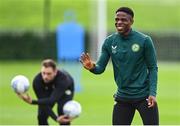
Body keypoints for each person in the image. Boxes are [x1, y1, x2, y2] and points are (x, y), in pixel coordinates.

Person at [80, 7, 159, 125]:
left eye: (123, 19)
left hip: (144, 96)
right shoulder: (109, 42)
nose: (119, 22)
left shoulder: (144, 40)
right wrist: (92, 67)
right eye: (117, 19)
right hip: (123, 96)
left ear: (131, 21)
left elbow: (153, 68)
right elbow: (100, 68)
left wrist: (152, 93)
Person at [18, 59, 74, 125]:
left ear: (55, 72)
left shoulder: (63, 79)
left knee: (62, 112)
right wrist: (56, 118)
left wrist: (32, 101)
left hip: (65, 89)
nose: (45, 77)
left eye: (49, 74)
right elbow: (44, 104)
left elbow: (52, 100)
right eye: (43, 73)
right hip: (49, 89)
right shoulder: (37, 81)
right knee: (41, 116)